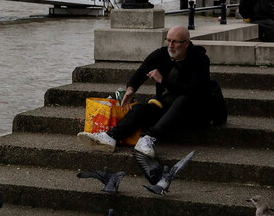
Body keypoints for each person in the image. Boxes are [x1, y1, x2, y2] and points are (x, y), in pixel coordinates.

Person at [77, 25, 211, 158]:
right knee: (140, 109)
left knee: (183, 99)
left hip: (194, 112)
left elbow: (194, 91)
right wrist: (131, 89)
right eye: (168, 40)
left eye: (175, 42)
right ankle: (110, 137)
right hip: (166, 108)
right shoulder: (162, 54)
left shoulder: (199, 59)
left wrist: (162, 80)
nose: (170, 45)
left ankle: (148, 138)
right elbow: (141, 72)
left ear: (186, 43)